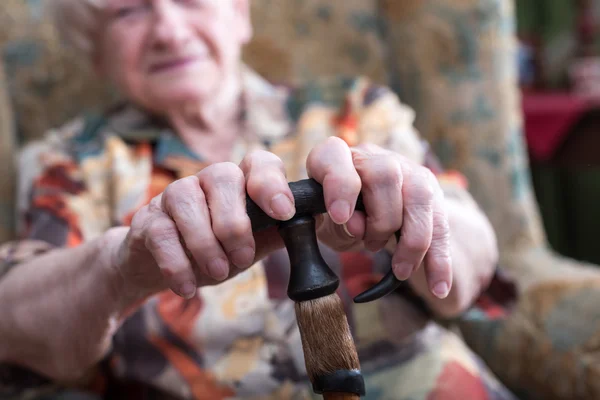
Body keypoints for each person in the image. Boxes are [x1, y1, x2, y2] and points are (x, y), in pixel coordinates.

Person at [0, 0, 513, 399]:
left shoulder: (355, 107)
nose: (170, 31)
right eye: (129, 11)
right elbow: (19, 325)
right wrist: (120, 265)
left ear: (239, 15)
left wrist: (419, 218)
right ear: (96, 49)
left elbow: (469, 264)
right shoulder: (69, 162)